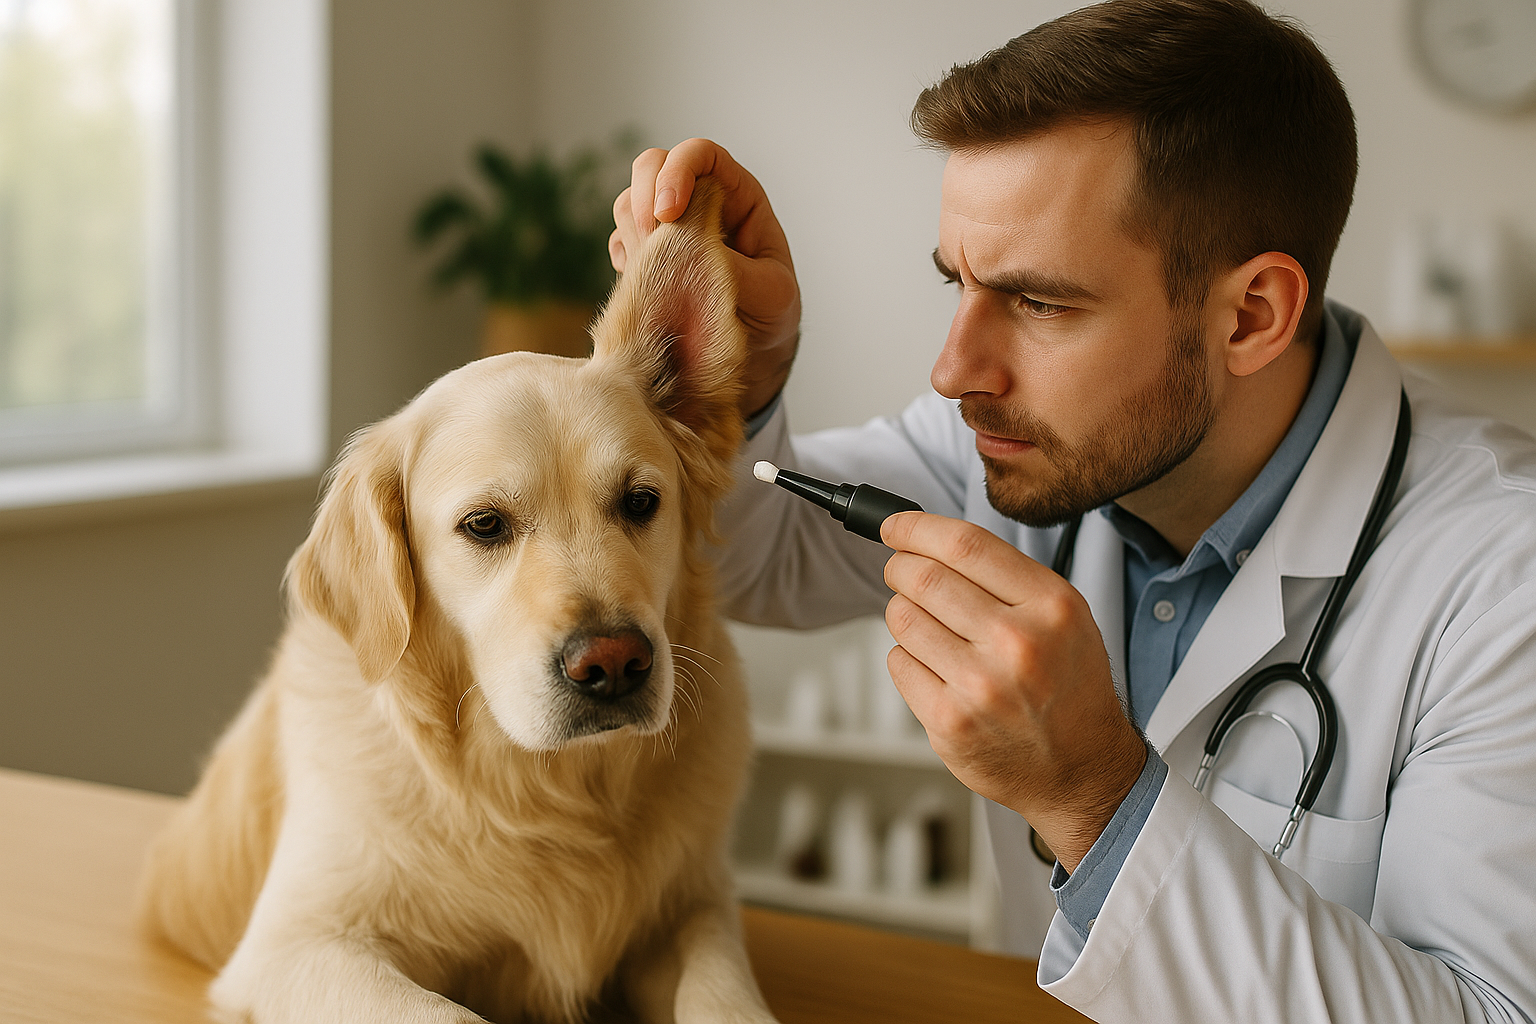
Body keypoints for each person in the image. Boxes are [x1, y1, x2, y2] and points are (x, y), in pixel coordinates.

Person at [607, 1, 1536, 1019]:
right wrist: (733, 392)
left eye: (1040, 303)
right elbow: (750, 556)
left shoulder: (1503, 576)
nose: (954, 369)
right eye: (957, 282)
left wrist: (1096, 798)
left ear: (1252, 314)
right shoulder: (1016, 446)